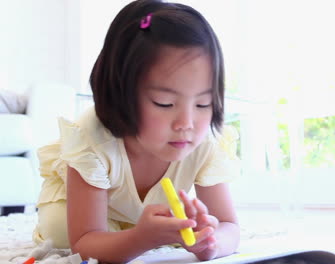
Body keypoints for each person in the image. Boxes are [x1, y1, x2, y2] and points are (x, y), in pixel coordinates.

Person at [32, 0, 241, 262]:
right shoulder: (92, 139)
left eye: (203, 103)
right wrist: (141, 239)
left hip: (149, 218)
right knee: (61, 233)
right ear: (120, 93)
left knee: (176, 229)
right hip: (91, 212)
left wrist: (211, 241)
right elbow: (84, 242)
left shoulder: (206, 141)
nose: (186, 123)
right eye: (164, 103)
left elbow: (229, 226)